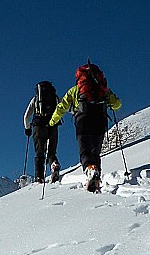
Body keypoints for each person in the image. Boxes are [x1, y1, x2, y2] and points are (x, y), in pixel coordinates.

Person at [49, 62, 122, 192]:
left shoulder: (75, 90)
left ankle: (89, 170)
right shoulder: (103, 89)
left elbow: (61, 107)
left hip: (83, 120)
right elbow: (117, 105)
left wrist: (52, 122)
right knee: (95, 152)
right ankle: (96, 176)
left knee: (85, 151)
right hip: (100, 119)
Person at [23, 81, 61, 183]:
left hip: (39, 126)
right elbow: (62, 108)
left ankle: (39, 177)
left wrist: (27, 128)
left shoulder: (36, 99)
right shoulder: (55, 98)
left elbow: (27, 116)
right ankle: (54, 164)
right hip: (53, 125)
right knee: (51, 151)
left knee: (39, 153)